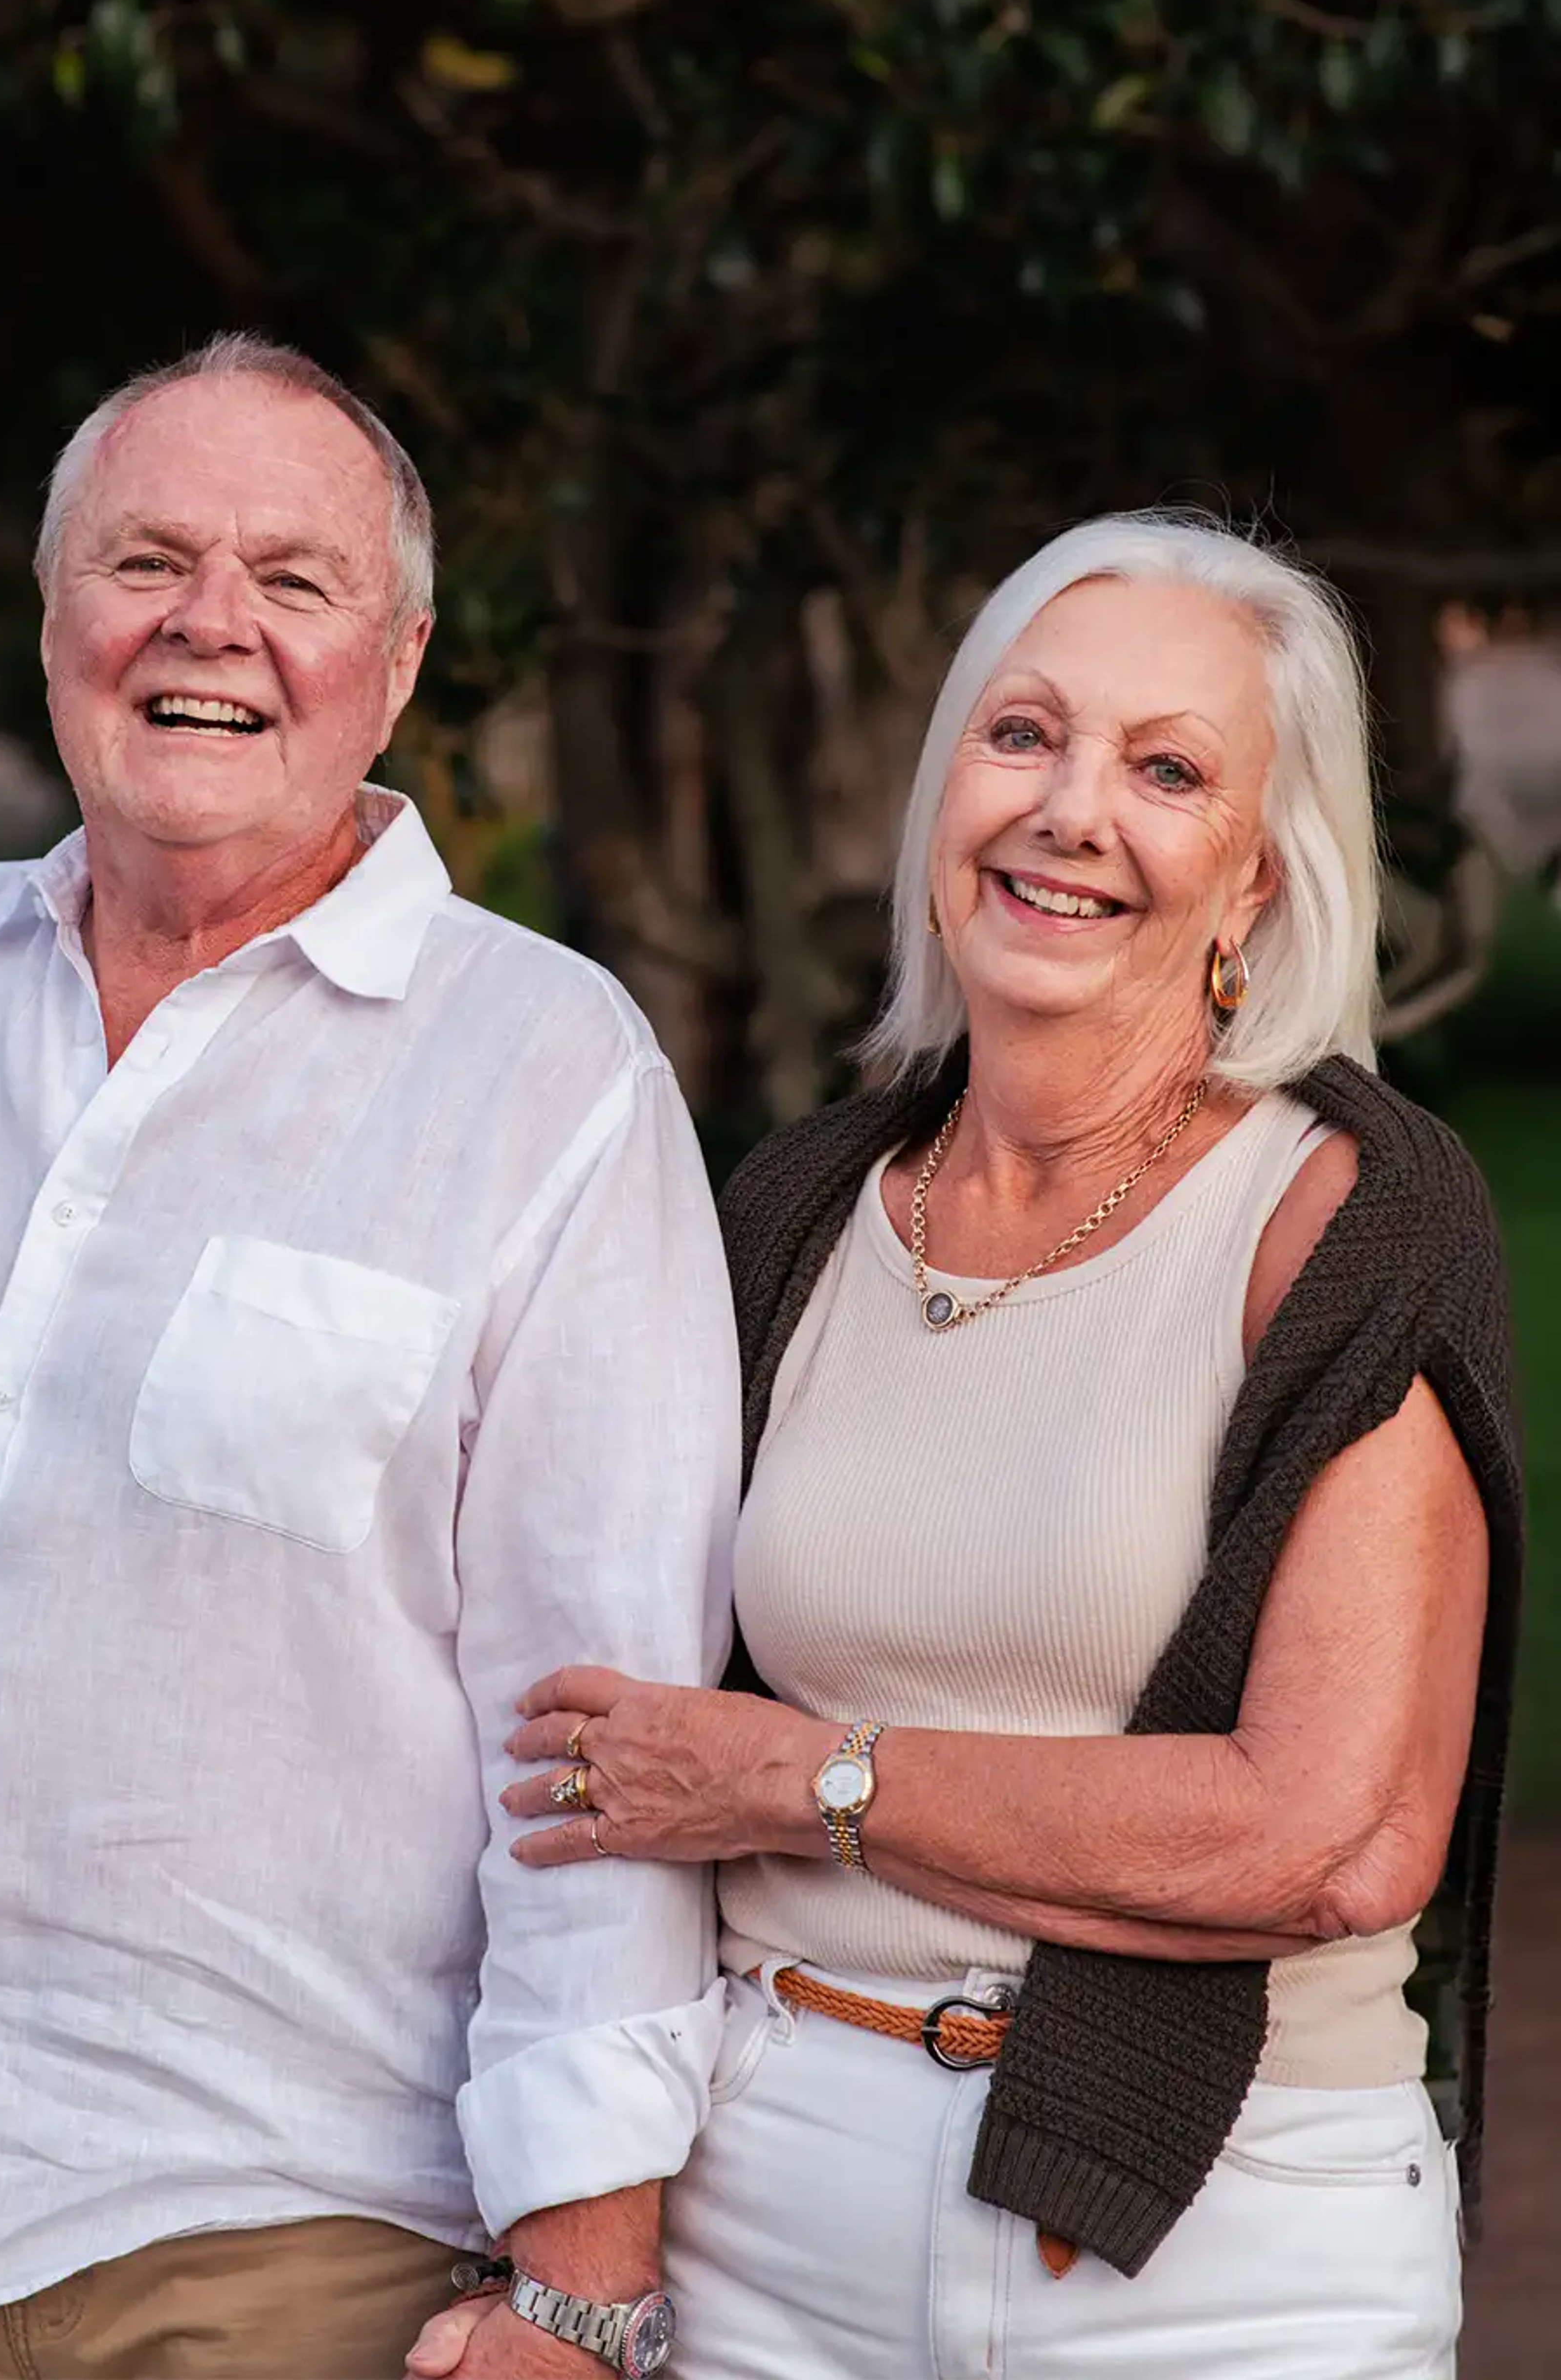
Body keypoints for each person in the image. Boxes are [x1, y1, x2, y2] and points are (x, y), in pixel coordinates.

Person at [0, 333, 741, 2380]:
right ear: (55, 613)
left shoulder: (544, 1074)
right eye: (146, 556)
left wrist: (585, 2284)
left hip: (294, 2252)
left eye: (294, 575)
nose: (209, 624)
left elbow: (603, 1711)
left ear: (402, 653)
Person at [410, 513, 1520, 2380]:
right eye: (1023, 737)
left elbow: (1329, 1838)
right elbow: (602, 1755)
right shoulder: (795, 1213)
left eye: (1167, 771)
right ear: (942, 801)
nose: (1073, 811)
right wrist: (576, 2270)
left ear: (1251, 881)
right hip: (764, 2215)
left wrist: (804, 1785)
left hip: (1215, 2247)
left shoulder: (1349, 1224)